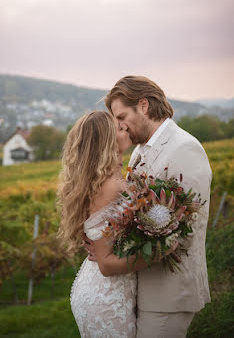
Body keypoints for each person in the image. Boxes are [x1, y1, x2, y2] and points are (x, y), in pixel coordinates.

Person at [86, 75, 212, 338]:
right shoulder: (138, 151)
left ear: (143, 105)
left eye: (121, 117)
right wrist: (105, 241)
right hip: (142, 287)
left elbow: (186, 229)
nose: (119, 127)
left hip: (169, 293)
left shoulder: (185, 148)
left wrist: (113, 257)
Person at [57, 111, 177, 338]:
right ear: (107, 142)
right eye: (120, 128)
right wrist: (160, 251)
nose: (127, 129)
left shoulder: (108, 179)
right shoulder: (109, 186)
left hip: (104, 291)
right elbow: (107, 265)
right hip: (106, 298)